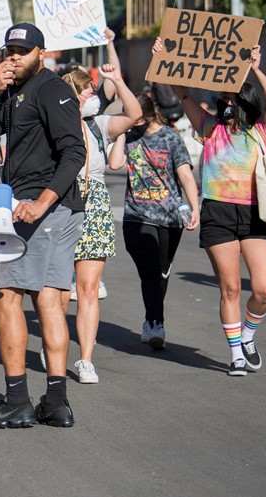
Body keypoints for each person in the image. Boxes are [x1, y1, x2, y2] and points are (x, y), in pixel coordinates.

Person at [0, 23, 85, 428]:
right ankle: (55, 403)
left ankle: (17, 399)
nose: (14, 57)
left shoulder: (51, 88)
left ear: (42, 52)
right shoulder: (16, 91)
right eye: (9, 50)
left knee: (6, 297)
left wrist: (41, 202)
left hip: (41, 207)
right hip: (43, 207)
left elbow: (75, 152)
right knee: (49, 301)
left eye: (23, 50)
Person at [162, 39, 266, 376]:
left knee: (262, 289)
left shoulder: (263, 131)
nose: (226, 102)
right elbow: (183, 94)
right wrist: (166, 58)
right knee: (230, 288)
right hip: (218, 212)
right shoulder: (209, 129)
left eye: (232, 97)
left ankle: (248, 336)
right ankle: (236, 355)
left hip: (256, 213)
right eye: (224, 97)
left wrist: (256, 67)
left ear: (246, 100)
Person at [60, 65, 140, 384]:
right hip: (61, 204)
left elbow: (133, 113)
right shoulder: (54, 126)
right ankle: (55, 343)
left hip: (94, 204)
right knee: (59, 288)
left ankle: (85, 359)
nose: (95, 95)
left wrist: (118, 80)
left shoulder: (99, 125)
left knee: (88, 288)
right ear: (74, 94)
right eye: (89, 91)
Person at [108, 93, 200, 349]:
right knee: (149, 271)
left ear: (147, 115)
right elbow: (115, 163)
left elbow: (186, 176)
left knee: (161, 273)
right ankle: (156, 322)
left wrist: (195, 208)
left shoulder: (170, 138)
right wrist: (124, 132)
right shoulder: (131, 135)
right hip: (137, 215)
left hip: (169, 218)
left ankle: (151, 320)